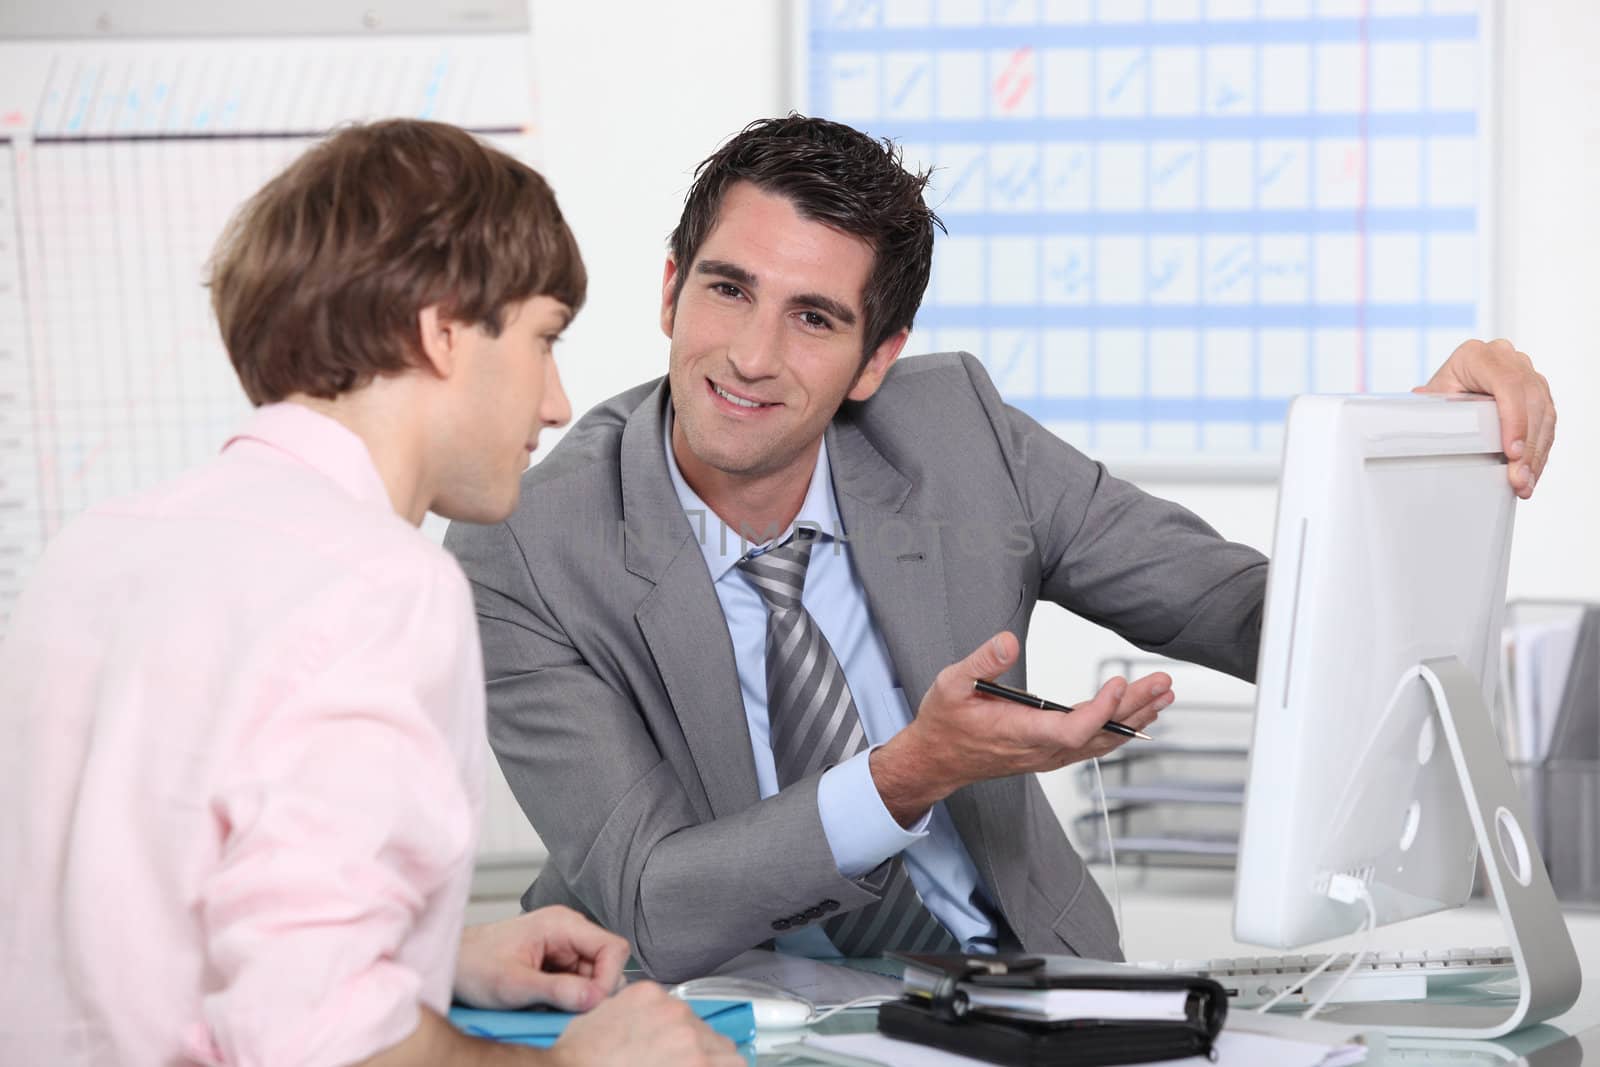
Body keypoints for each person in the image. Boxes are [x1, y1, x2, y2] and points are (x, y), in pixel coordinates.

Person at [444, 115, 1557, 983]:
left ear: (877, 358)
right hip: (713, 1007)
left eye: (814, 318)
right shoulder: (527, 546)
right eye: (728, 289)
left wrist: (1416, 460)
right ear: (672, 288)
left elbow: (1253, 614)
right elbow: (654, 893)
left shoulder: (955, 429)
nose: (748, 353)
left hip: (1025, 989)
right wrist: (905, 774)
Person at [0, 120, 739, 1067]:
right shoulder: (380, 585)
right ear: (442, 330)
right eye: (542, 338)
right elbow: (320, 1045)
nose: (556, 402)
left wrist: (433, 962)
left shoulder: (97, 548)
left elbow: (135, 936)